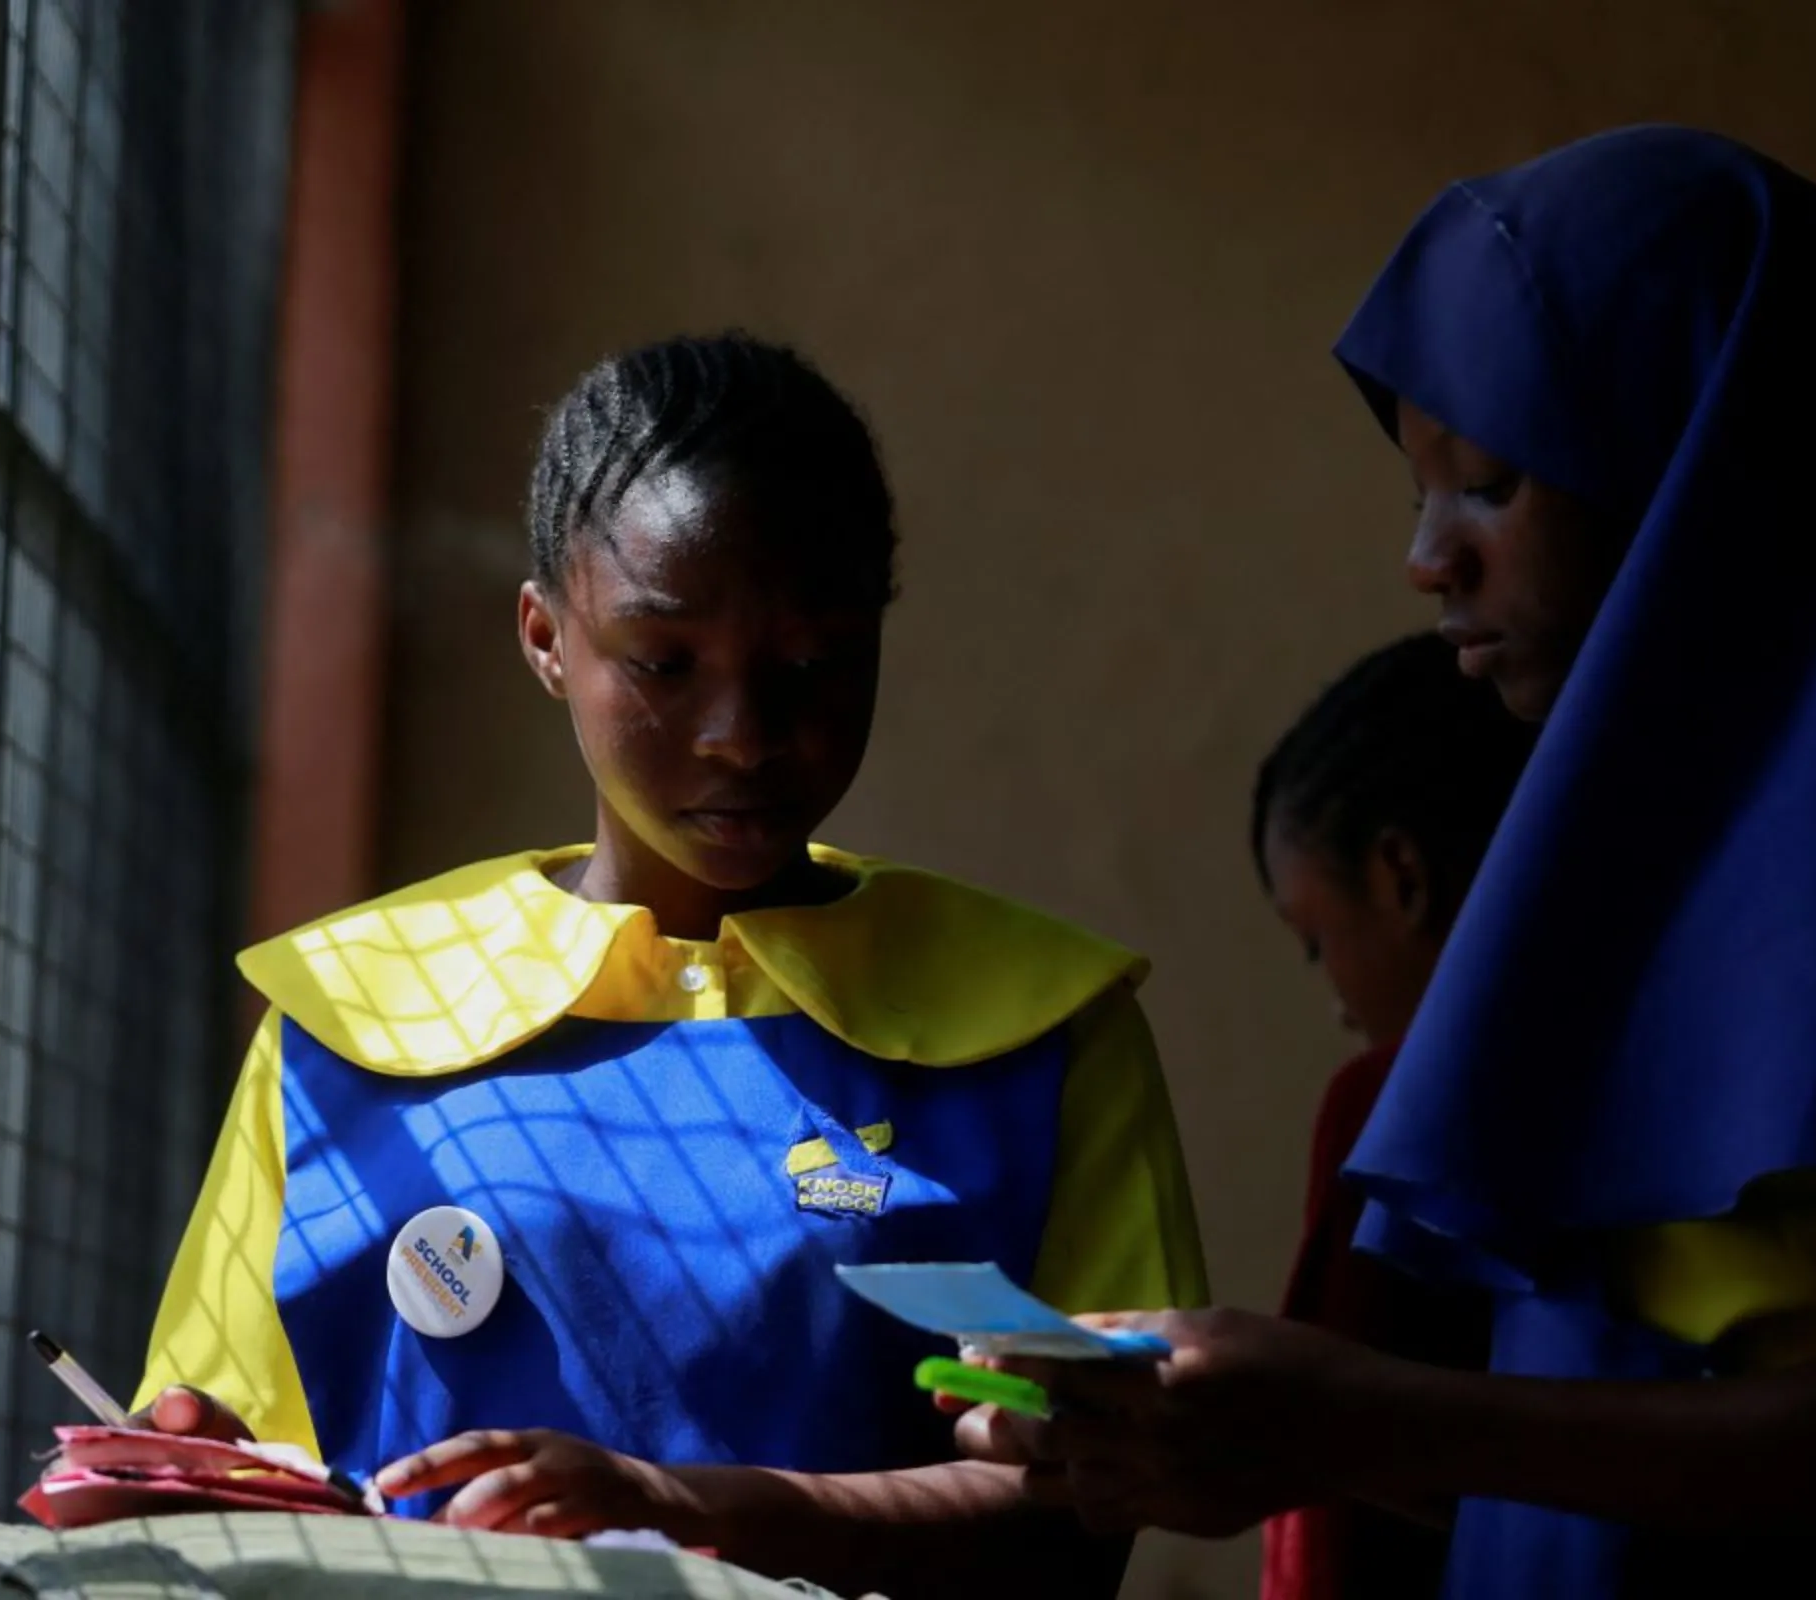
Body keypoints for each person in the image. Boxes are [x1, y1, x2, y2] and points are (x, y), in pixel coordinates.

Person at [954, 126, 1816, 1597]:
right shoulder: (1595, 903)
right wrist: (1254, 1435)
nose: (1428, 558)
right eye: (1420, 494)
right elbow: (1587, 1465)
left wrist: (1363, 1409)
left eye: (1487, 484)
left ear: (1699, 485)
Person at [130, 332, 1209, 1598]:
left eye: (809, 666)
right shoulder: (355, 1018)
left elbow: (1100, 1495)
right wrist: (182, 1475)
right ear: (546, 637)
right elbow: (225, 1447)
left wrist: (691, 1515)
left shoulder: (1038, 1032)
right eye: (662, 662)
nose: (741, 735)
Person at [1249, 632, 1528, 1597]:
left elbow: (1314, 1474)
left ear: (1401, 876)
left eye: (1316, 942)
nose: (1334, 999)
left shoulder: (1388, 1105)